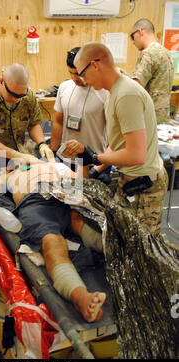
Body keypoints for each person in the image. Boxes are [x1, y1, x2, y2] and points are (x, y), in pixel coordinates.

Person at [0, 159, 106, 323]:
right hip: (34, 204)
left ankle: (117, 249)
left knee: (83, 224)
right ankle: (80, 297)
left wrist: (85, 160)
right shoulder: (9, 176)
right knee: (52, 241)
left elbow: (81, 183)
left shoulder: (54, 166)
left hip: (65, 198)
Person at [64, 42, 169, 238]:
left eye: (83, 73)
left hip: (144, 186)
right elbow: (118, 143)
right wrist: (98, 166)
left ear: (95, 65)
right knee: (121, 241)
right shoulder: (112, 93)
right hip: (129, 180)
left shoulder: (126, 95)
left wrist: (96, 157)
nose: (83, 80)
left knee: (141, 252)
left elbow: (136, 154)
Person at [0, 63, 54, 179]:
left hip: (16, 162)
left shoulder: (28, 96)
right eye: (12, 94)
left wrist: (42, 144)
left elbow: (33, 124)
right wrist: (15, 155)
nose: (15, 99)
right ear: (2, 80)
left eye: (21, 95)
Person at [50, 47, 107, 162]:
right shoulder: (64, 87)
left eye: (78, 73)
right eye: (70, 73)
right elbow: (58, 121)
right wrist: (53, 152)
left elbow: (115, 136)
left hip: (95, 161)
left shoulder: (105, 92)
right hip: (67, 161)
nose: (74, 78)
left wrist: (102, 165)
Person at [130, 18, 174, 125]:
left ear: (140, 32)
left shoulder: (148, 53)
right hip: (163, 117)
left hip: (149, 117)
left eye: (132, 36)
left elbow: (136, 86)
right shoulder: (166, 53)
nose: (133, 42)